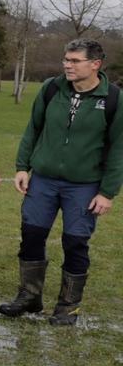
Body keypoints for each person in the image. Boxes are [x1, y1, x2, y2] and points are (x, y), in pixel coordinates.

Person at [7, 39, 121, 326]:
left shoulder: (114, 100)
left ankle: (68, 307)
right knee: (31, 235)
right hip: (43, 181)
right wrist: (23, 167)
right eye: (66, 60)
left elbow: (119, 148)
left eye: (74, 60)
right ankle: (29, 296)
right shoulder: (51, 89)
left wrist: (107, 193)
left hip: (84, 186)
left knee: (75, 243)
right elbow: (33, 129)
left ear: (95, 64)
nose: (67, 65)